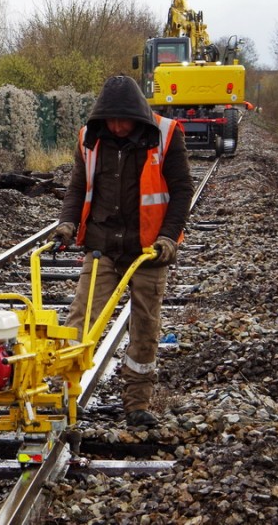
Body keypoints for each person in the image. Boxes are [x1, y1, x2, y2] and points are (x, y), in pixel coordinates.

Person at [51, 75, 193, 428]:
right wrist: (67, 224)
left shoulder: (166, 135)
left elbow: (181, 190)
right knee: (79, 321)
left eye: (122, 120)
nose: (116, 127)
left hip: (148, 251)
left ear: (137, 116)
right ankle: (64, 396)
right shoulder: (90, 138)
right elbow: (78, 186)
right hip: (102, 246)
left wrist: (168, 239)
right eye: (110, 120)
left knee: (145, 325)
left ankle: (137, 403)